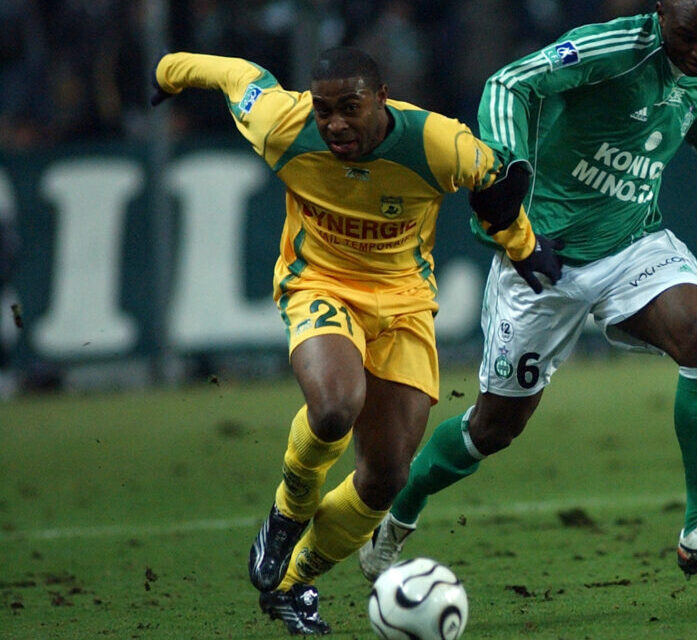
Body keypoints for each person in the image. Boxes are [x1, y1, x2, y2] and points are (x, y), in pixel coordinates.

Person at [151, 47, 562, 634]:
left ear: (382, 98)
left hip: (404, 304)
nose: (335, 123)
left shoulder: (436, 143)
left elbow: (494, 180)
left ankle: (293, 584)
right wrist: (167, 71)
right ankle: (286, 516)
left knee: (388, 475)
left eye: (350, 108)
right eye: (324, 110)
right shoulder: (282, 125)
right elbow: (236, 76)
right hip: (319, 283)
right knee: (336, 404)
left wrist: (523, 247)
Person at [358, 0, 697, 581]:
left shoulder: (696, 55)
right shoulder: (610, 51)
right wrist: (509, 168)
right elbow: (508, 82)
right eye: (691, 38)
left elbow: (685, 105)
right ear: (662, 14)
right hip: (542, 259)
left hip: (631, 241)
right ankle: (399, 515)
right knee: (494, 429)